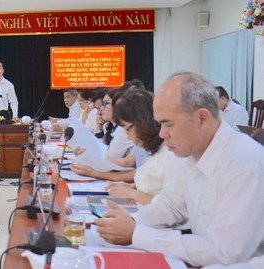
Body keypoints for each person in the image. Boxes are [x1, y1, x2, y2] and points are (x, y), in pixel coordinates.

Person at [94, 72, 264, 267]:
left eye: (168, 124)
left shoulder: (243, 162)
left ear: (202, 118)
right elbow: (172, 204)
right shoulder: (194, 151)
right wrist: (132, 221)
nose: (161, 134)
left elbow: (223, 251)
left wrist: (137, 234)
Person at [104, 89, 185, 205]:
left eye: (127, 130)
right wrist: (132, 187)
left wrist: (131, 194)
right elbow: (154, 187)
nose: (128, 137)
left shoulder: (172, 154)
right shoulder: (154, 149)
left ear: (142, 123)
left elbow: (173, 207)